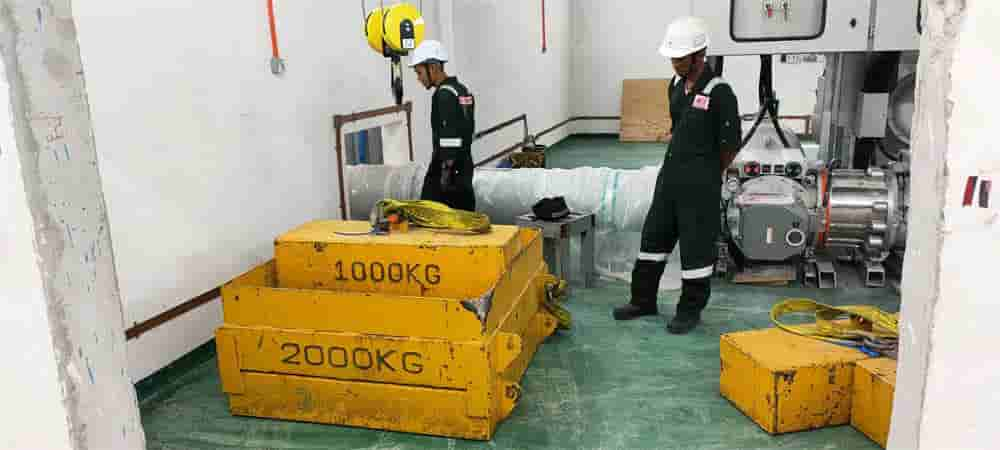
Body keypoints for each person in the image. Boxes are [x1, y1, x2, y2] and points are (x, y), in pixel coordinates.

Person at [612, 16, 741, 334]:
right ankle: (642, 300)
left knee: (697, 250)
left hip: (700, 186)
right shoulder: (675, 86)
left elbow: (730, 146)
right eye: (672, 57)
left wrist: (708, 173)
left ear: (700, 56)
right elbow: (680, 125)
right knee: (652, 240)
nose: (674, 64)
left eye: (680, 58)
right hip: (669, 179)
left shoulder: (719, 92)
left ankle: (689, 311)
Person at [409, 40, 477, 212]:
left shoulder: (443, 95)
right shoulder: (462, 90)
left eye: (419, 72)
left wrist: (444, 178)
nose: (419, 78)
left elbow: (449, 140)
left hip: (448, 173)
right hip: (463, 169)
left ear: (432, 68)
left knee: (430, 217)